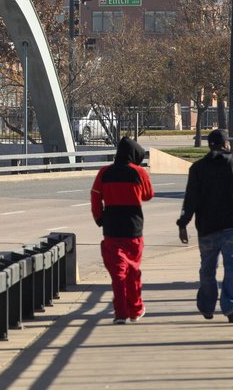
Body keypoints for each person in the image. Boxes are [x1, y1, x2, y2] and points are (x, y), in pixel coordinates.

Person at [176, 128, 233, 323]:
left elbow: (190, 199)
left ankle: (207, 306)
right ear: (227, 144)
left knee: (208, 269)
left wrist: (183, 224)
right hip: (232, 226)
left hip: (207, 227)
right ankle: (232, 308)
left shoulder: (198, 169)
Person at [91, 136, 154, 325]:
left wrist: (99, 218)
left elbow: (95, 198)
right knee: (133, 270)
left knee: (118, 273)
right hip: (133, 228)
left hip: (111, 227)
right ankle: (135, 308)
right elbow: (148, 195)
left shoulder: (104, 173)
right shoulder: (139, 172)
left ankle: (120, 313)